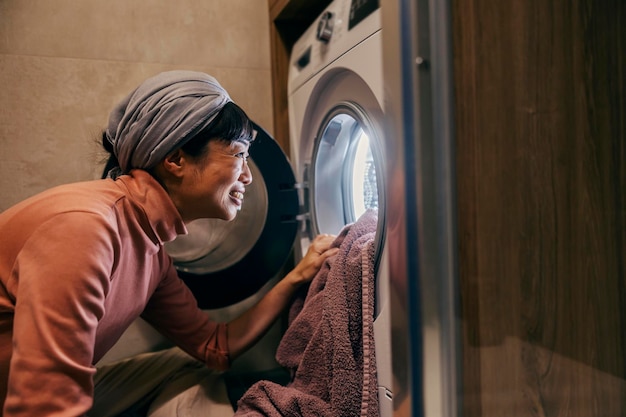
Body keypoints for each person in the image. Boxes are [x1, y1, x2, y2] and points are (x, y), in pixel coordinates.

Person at [0, 70, 338, 416]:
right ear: (176, 159)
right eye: (238, 154)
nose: (249, 175)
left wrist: (296, 276)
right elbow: (41, 405)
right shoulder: (85, 229)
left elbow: (213, 347)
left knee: (190, 366)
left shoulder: (150, 250)